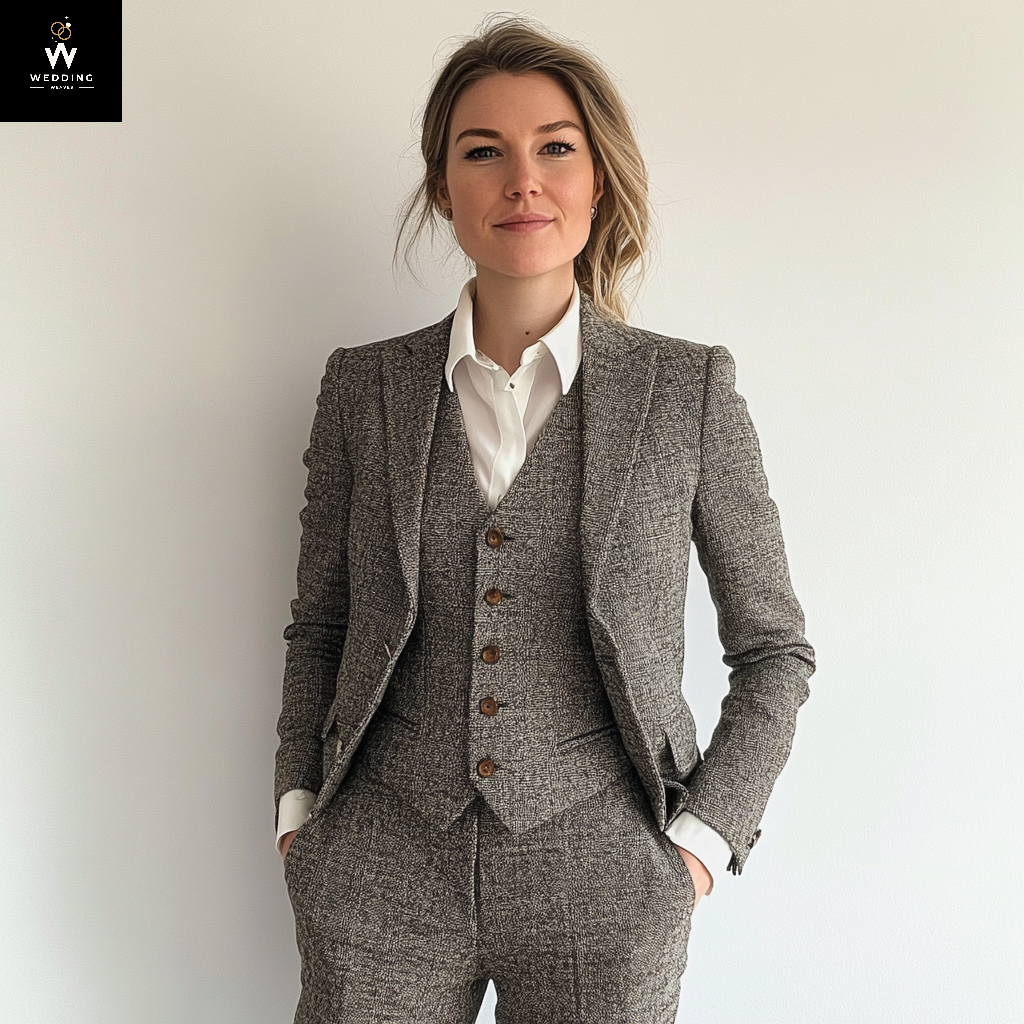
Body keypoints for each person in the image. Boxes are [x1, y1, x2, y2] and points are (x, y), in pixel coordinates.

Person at [274, 16, 815, 1024]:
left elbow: (774, 649)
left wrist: (699, 846)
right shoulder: (364, 389)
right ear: (444, 187)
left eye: (555, 148)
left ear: (597, 177)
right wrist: (300, 815)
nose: (523, 180)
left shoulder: (685, 389)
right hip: (379, 864)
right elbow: (323, 625)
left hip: (608, 870)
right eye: (484, 152)